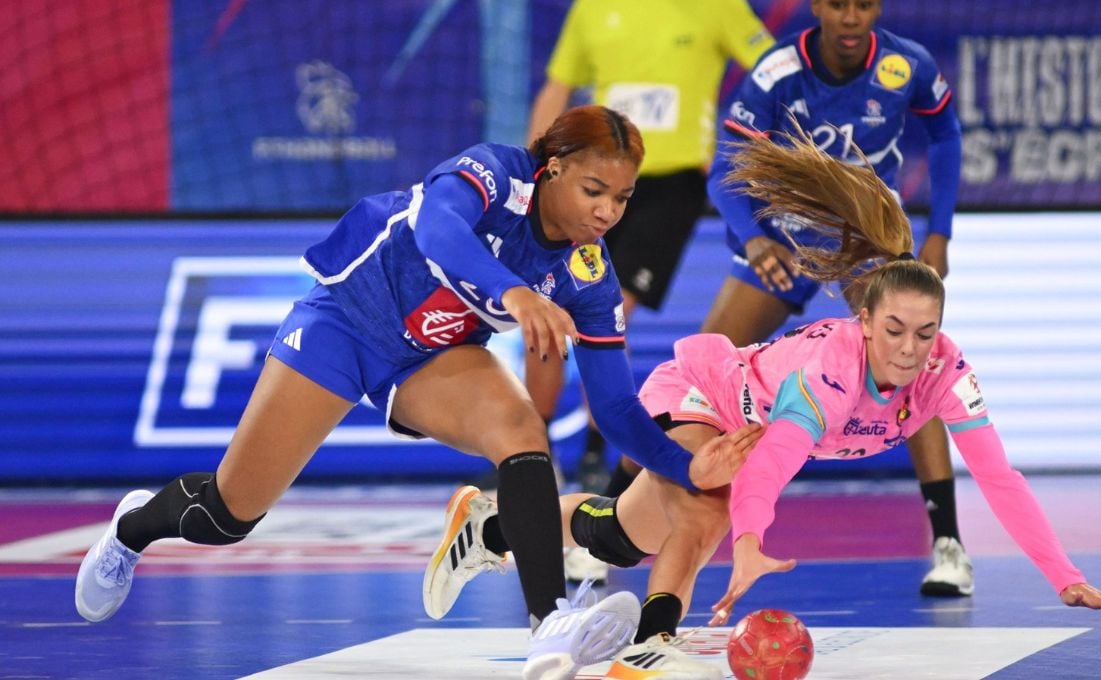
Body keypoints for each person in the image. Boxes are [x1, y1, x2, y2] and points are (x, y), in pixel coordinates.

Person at [72, 105, 761, 680]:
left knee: (522, 429)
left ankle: (549, 622)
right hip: (346, 322)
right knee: (227, 515)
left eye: (623, 197)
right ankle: (133, 528)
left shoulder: (587, 272)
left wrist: (686, 466)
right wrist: (514, 292)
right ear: (552, 170)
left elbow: (614, 408)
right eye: (593, 191)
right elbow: (438, 232)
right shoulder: (495, 171)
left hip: (431, 355)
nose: (608, 211)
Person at [434, 125, 1101, 679]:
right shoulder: (830, 373)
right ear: (864, 323)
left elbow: (999, 478)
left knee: (623, 536)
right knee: (705, 498)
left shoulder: (946, 375)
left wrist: (1067, 578)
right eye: (893, 330)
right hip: (703, 390)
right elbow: (774, 460)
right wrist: (748, 545)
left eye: (925, 334)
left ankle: (490, 530)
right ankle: (651, 645)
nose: (908, 348)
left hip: (742, 421)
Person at [703, 0, 974, 597]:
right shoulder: (778, 71)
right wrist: (754, 242)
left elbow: (947, 136)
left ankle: (949, 545)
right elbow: (722, 172)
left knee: (913, 371)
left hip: (869, 244)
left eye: (864, 5)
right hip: (785, 242)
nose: (851, 18)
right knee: (704, 372)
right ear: (816, 7)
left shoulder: (909, 65)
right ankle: (612, 522)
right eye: (837, 5)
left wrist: (940, 232)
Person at [523, 2, 773, 551]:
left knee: (605, 310)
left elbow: (776, 71)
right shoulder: (592, 9)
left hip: (669, 184)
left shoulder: (720, 8)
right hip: (590, 179)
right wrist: (533, 172)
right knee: (540, 317)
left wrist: (737, 148)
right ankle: (528, 454)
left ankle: (595, 450)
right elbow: (556, 89)